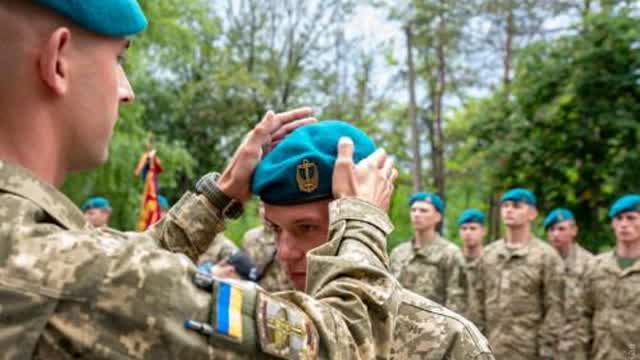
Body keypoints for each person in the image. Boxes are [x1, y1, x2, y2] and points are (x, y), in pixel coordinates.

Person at [0, 1, 405, 359]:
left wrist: (221, 196)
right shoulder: (72, 277)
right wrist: (362, 221)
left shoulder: (27, 247)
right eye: (120, 60)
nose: (127, 91)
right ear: (58, 60)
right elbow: (344, 344)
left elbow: (106, 269)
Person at [252, 120, 493, 359]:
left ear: (366, 215)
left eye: (306, 227)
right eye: (275, 229)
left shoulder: (446, 340)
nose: (284, 252)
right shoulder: (268, 328)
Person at [469, 188, 564, 360]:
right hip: (491, 349)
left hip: (529, 351)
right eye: (505, 206)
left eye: (517, 206)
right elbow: (477, 303)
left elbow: (555, 307)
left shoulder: (546, 256)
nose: (509, 210)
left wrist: (547, 351)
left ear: (532, 213)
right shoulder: (488, 255)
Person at [578, 195, 640, 360]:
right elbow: (583, 317)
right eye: (619, 219)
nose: (624, 224)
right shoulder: (595, 267)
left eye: (631, 218)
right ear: (613, 224)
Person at [389, 192, 467, 314]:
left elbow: (456, 301)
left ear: (438, 217)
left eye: (423, 211)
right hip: (398, 326)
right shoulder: (398, 253)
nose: (416, 214)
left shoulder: (450, 253)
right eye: (413, 210)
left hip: (435, 329)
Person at [543, 208, 594, 359]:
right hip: (544, 345)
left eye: (561, 229)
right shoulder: (540, 261)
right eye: (551, 229)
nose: (556, 234)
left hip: (577, 346)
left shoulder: (590, 264)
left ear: (574, 230)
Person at [241, 202, 294, 292]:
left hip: (289, 293)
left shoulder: (290, 234)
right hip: (263, 294)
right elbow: (246, 270)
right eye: (261, 206)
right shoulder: (250, 238)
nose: (263, 211)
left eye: (267, 206)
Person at [457, 208, 486, 317]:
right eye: (464, 229)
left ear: (483, 231)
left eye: (473, 228)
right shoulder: (453, 259)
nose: (468, 233)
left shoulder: (491, 260)